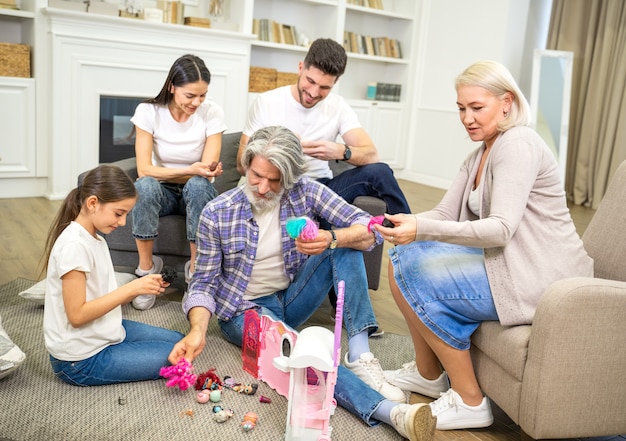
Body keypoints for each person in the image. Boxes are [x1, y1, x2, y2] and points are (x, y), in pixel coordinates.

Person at [170, 126, 436, 441]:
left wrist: (332, 237)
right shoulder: (218, 212)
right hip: (243, 312)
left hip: (289, 298)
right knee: (301, 352)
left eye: (275, 180)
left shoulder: (305, 190)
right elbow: (202, 283)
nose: (264, 187)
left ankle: (360, 355)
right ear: (247, 166)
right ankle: (390, 413)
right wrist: (198, 330)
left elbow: (369, 229)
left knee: (344, 248)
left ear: (290, 177)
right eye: (257, 175)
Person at [372, 60, 594, 430]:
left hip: (540, 276)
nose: (467, 118)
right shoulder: (479, 153)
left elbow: (501, 229)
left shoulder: (518, 144)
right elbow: (445, 211)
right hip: (507, 264)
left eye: (477, 107)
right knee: (400, 257)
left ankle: (470, 400)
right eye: (461, 108)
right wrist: (401, 224)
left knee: (416, 271)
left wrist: (421, 230)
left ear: (506, 102)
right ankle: (429, 376)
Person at [41, 164, 184, 386]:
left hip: (105, 329)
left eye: (127, 214)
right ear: (92, 203)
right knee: (178, 355)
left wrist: (142, 286)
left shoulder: (95, 239)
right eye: (119, 213)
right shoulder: (74, 246)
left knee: (180, 342)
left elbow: (102, 295)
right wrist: (132, 289)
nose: (123, 222)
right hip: (80, 361)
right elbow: (77, 316)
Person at [237, 38, 411, 218]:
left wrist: (340, 151)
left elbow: (373, 156)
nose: (313, 93)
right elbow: (242, 166)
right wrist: (280, 148)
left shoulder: (338, 106)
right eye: (310, 81)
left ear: (335, 83)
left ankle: (413, 239)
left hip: (322, 190)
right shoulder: (267, 102)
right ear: (300, 68)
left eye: (324, 87)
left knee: (380, 172)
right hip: (279, 185)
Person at [130, 54, 227, 310]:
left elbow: (204, 173)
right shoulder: (148, 111)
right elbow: (143, 169)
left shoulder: (213, 113)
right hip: (162, 193)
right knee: (144, 186)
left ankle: (194, 272)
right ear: (172, 87)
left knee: (197, 186)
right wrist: (190, 170)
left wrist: (198, 173)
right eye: (190, 96)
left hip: (196, 193)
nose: (197, 102)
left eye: (202, 95)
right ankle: (146, 269)